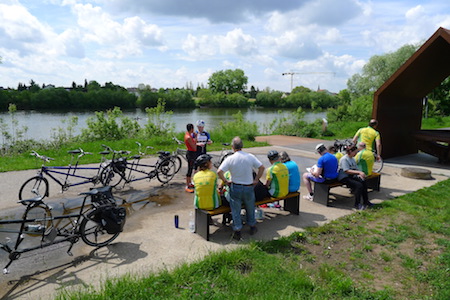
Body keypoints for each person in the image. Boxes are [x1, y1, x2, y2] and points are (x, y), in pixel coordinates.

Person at [217, 136, 265, 241]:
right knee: (250, 207)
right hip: (248, 186)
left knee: (236, 209)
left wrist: (225, 181)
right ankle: (252, 226)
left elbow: (219, 172)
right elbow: (261, 167)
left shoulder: (230, 159)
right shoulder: (250, 156)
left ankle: (237, 230)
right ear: (242, 146)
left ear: (232, 147)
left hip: (236, 186)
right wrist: (256, 179)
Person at [338, 144, 373, 210]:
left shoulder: (352, 159)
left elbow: (356, 169)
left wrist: (360, 174)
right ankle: (357, 204)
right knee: (358, 186)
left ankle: (366, 202)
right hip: (344, 177)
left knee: (364, 183)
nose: (356, 153)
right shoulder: (344, 159)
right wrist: (359, 172)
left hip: (351, 176)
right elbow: (346, 170)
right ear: (350, 151)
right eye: (355, 152)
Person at [184, 123, 197, 193]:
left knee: (191, 168)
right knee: (190, 169)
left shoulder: (187, 134)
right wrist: (196, 138)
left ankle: (189, 183)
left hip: (190, 153)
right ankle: (187, 185)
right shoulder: (188, 137)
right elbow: (194, 148)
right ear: (192, 129)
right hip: (191, 153)